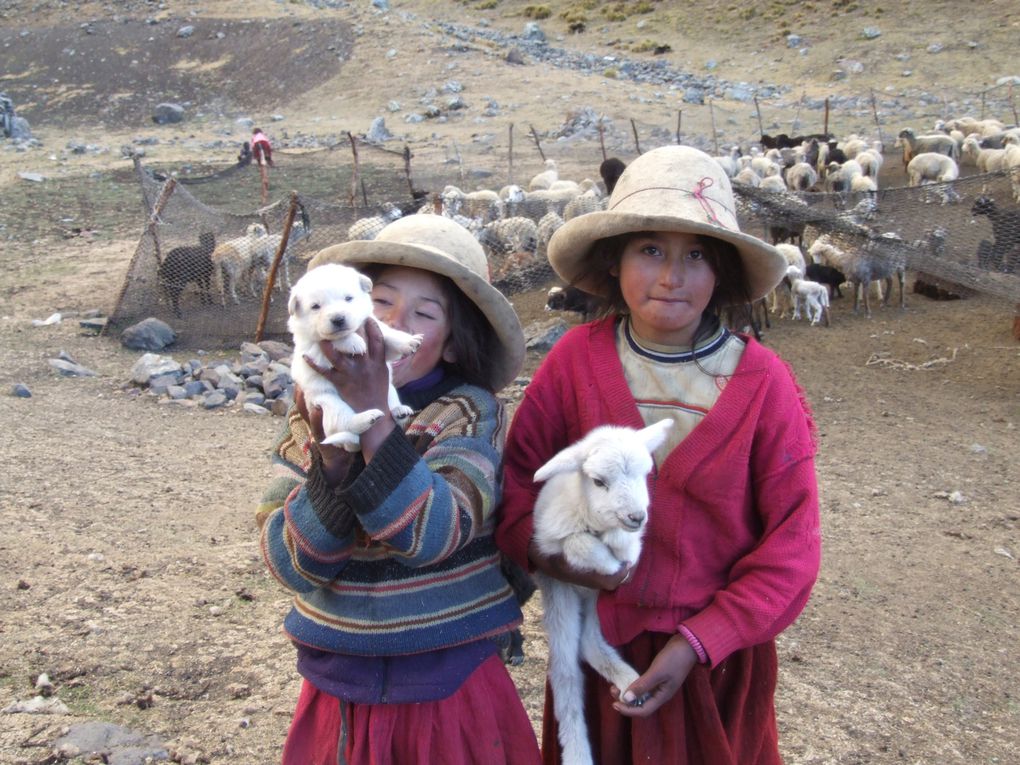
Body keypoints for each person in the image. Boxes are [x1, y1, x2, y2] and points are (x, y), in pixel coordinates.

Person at [496, 145, 821, 764]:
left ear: (720, 272)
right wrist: (554, 557)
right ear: (615, 261)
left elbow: (793, 545)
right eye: (651, 251)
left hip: (715, 665)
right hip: (601, 655)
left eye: (695, 255)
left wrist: (703, 640)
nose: (672, 275)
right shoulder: (573, 364)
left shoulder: (764, 384)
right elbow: (518, 483)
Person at [258, 215, 541, 765]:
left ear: (454, 344)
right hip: (339, 679)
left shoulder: (467, 415)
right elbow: (291, 564)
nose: (390, 321)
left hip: (450, 679)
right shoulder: (309, 414)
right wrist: (333, 460)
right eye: (380, 301)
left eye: (424, 313)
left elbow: (434, 533)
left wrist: (375, 421)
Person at [251, 127, 274, 203]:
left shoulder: (254, 137)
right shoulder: (263, 135)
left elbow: (253, 146)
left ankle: (262, 163)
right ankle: (269, 161)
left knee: (260, 158)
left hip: (257, 144)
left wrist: (255, 156)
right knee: (266, 154)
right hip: (264, 143)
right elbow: (268, 145)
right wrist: (269, 154)